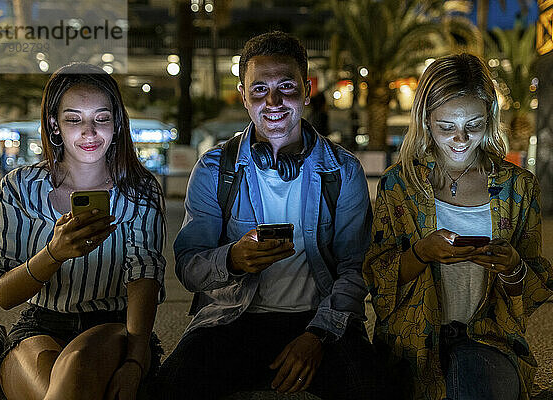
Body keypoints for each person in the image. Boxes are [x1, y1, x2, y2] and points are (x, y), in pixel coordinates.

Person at [154, 31, 388, 400]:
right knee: (167, 390)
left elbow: (354, 268)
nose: (274, 101)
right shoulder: (216, 169)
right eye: (259, 89)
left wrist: (316, 336)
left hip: (321, 319)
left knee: (372, 390)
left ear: (307, 91)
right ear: (244, 95)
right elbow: (188, 266)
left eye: (287, 87)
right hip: (232, 317)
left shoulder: (342, 170)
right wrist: (232, 258)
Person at [362, 53, 553, 400]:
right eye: (446, 127)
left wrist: (511, 267)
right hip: (412, 340)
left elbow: (534, 286)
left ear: (491, 117)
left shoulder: (518, 188)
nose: (461, 139)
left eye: (474, 125)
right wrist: (422, 252)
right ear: (425, 120)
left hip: (490, 338)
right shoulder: (400, 185)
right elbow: (377, 278)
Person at [0, 63, 166, 400]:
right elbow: (4, 294)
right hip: (40, 325)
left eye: (101, 118)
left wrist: (135, 361)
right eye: (73, 119)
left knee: (78, 368)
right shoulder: (19, 188)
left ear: (117, 123)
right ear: (54, 125)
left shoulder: (139, 190)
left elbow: (146, 275)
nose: (89, 132)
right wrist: (53, 253)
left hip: (113, 327)